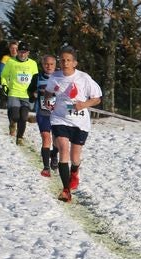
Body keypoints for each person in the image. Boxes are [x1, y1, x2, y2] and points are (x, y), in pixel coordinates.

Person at [47, 46, 103, 203]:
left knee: (75, 157)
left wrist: (83, 104)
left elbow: (97, 98)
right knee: (63, 148)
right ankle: (66, 190)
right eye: (62, 60)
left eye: (68, 60)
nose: (65, 63)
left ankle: (75, 172)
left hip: (79, 121)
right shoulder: (55, 77)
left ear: (75, 63)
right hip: (59, 118)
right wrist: (47, 100)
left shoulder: (84, 78)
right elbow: (49, 92)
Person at [0, 41, 37, 144]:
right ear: (17, 52)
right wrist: (4, 85)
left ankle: (19, 138)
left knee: (23, 117)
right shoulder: (11, 62)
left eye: (25, 52)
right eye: (20, 52)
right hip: (14, 93)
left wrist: (34, 91)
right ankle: (12, 123)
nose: (22, 54)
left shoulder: (33, 63)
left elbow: (35, 78)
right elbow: (4, 76)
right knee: (16, 116)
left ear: (28, 53)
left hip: (26, 95)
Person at [32, 53, 59, 176]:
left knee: (57, 140)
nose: (49, 66)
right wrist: (33, 94)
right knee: (46, 137)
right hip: (42, 112)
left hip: (58, 113)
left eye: (51, 64)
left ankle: (54, 154)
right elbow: (30, 91)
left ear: (55, 65)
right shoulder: (37, 77)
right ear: (42, 65)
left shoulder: (61, 77)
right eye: (46, 64)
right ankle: (46, 167)